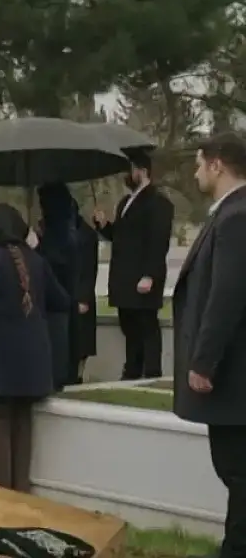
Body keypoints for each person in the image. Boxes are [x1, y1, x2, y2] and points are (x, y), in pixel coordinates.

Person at [0, 203, 69, 492]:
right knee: (22, 430)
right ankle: (20, 498)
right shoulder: (37, 261)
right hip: (34, 365)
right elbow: (61, 301)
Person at [173, 133, 246, 558]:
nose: (196, 171)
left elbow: (227, 295)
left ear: (218, 165)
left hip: (234, 376)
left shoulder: (236, 217)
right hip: (233, 374)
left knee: (238, 471)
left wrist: (203, 362)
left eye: (200, 162)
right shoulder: (230, 214)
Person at [92, 151, 174, 379]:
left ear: (142, 171)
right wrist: (104, 226)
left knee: (146, 326)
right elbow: (121, 237)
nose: (126, 176)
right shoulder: (125, 203)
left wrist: (150, 274)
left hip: (143, 277)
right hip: (124, 277)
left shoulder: (158, 202)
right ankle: (132, 370)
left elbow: (158, 241)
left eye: (130, 170)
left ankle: (152, 371)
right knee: (129, 327)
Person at [37, 182, 78, 389]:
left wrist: (37, 246)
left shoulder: (60, 232)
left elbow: (54, 261)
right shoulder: (64, 228)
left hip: (57, 298)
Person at [73, 214, 100, 383]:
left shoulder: (86, 235)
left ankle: (78, 375)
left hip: (80, 294)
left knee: (81, 341)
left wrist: (83, 297)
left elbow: (89, 268)